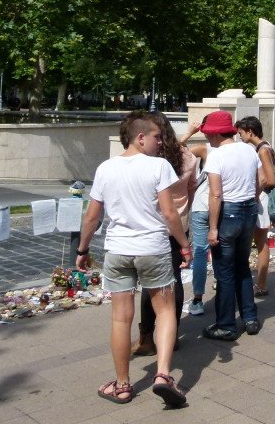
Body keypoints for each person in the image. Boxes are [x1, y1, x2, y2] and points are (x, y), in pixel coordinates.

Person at [75, 111, 191, 407]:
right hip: (153, 248)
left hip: (118, 251)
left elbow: (92, 216)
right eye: (156, 137)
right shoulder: (158, 166)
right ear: (140, 137)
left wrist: (83, 250)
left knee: (120, 318)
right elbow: (169, 213)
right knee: (165, 312)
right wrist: (184, 245)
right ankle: (163, 375)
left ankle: (123, 385)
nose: (159, 142)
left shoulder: (105, 168)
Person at [132, 112, 197, 356]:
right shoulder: (187, 158)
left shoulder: (149, 159)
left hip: (151, 224)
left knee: (150, 283)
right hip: (179, 224)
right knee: (175, 280)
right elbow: (191, 190)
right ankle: (173, 334)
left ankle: (146, 337)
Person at [202, 110, 261, 340]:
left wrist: (213, 228)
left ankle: (226, 325)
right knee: (243, 266)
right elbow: (259, 182)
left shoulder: (217, 155)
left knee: (225, 272)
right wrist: (251, 201)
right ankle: (250, 317)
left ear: (216, 134)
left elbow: (215, 195)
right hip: (248, 210)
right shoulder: (248, 150)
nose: (207, 138)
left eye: (208, 134)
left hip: (228, 212)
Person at [236, 116, 275, 298]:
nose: (239, 137)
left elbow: (269, 179)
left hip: (260, 200)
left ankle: (261, 284)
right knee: (259, 242)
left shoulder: (262, 150)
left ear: (250, 132)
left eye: (240, 133)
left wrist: (252, 193)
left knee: (260, 243)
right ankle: (259, 282)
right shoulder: (264, 146)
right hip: (260, 199)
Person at [181, 117, 212, 317]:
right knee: (223, 250)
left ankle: (198, 299)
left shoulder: (205, 149)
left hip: (202, 206)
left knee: (200, 252)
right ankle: (225, 289)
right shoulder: (237, 150)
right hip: (225, 207)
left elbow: (174, 152)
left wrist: (190, 132)